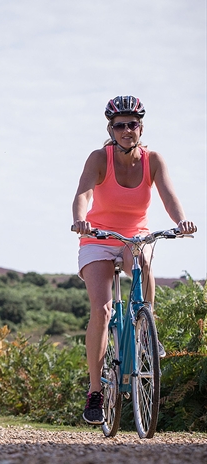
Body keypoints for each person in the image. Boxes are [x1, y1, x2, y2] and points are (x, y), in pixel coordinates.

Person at [71, 95, 197, 425]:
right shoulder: (100, 158)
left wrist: (181, 220)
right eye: (120, 125)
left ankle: (145, 331)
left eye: (133, 124)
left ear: (141, 127)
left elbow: (169, 194)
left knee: (143, 260)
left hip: (134, 236)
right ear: (111, 129)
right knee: (101, 309)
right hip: (97, 237)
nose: (128, 130)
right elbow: (83, 193)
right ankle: (96, 390)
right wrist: (80, 218)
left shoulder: (153, 160)